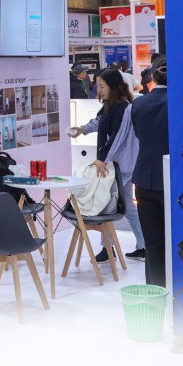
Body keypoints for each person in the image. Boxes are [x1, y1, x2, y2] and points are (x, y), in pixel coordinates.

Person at [69, 68, 145, 261]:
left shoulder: (123, 108)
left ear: (113, 86)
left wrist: (102, 158)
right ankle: (142, 246)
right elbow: (99, 121)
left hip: (119, 166)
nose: (99, 90)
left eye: (102, 86)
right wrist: (82, 129)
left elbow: (117, 138)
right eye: (98, 86)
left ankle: (109, 249)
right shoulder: (112, 106)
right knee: (127, 206)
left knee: (105, 204)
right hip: (119, 165)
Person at [128, 55, 170, 287]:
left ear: (153, 76)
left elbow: (138, 134)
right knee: (176, 239)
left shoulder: (138, 104)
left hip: (144, 178)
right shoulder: (182, 103)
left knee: (152, 242)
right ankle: (176, 290)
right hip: (173, 180)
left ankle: (155, 291)